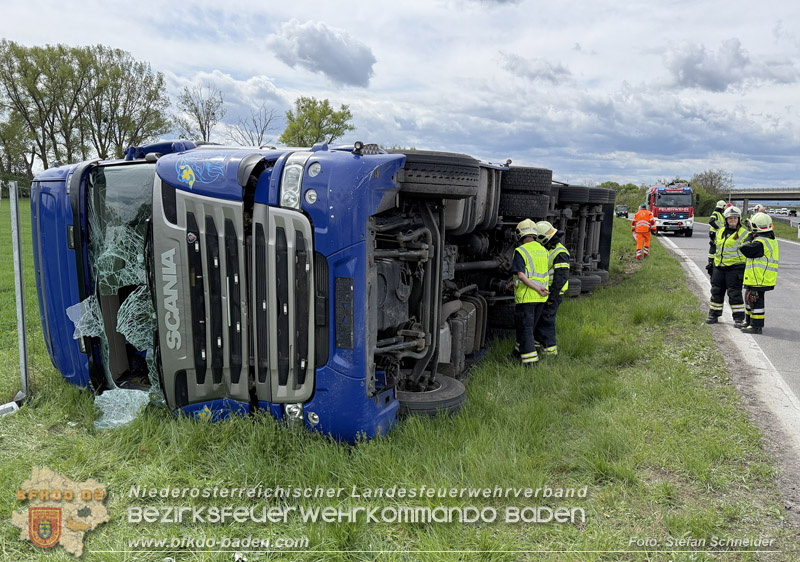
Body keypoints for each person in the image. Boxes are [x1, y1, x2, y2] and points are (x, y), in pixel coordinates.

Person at [510, 219, 549, 367]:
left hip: (527, 297)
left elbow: (521, 274)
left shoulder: (521, 250)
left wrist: (534, 288)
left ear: (520, 234)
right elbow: (534, 273)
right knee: (527, 328)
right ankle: (516, 354)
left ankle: (530, 363)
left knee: (525, 330)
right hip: (541, 297)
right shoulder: (543, 250)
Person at [706, 206, 749, 327]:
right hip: (719, 267)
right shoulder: (719, 232)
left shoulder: (744, 234)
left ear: (739, 219)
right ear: (726, 219)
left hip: (735, 268)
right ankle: (714, 314)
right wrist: (710, 263)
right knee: (716, 291)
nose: (732, 220)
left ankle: (739, 318)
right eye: (730, 218)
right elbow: (714, 248)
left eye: (735, 218)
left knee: (734, 294)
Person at [533, 221, 570, 357]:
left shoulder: (560, 253)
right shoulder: (551, 250)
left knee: (547, 320)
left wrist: (552, 298)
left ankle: (550, 352)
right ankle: (537, 345)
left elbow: (560, 278)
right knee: (541, 319)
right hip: (547, 292)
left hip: (554, 293)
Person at [739, 212, 779, 334]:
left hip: (759, 279)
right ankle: (749, 321)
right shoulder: (769, 239)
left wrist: (750, 235)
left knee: (755, 302)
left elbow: (744, 248)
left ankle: (756, 326)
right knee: (749, 299)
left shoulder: (759, 242)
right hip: (757, 278)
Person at [707, 200, 727, 277]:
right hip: (714, 233)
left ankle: (715, 261)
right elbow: (711, 221)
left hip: (718, 233)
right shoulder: (716, 213)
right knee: (714, 247)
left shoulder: (721, 214)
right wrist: (718, 228)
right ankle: (711, 262)